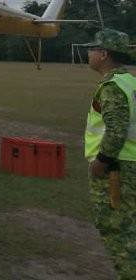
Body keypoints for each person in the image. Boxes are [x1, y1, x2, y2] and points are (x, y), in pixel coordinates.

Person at [81, 29, 136, 279]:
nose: (88, 53)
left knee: (118, 234)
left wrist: (100, 163)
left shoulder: (112, 86)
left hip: (117, 170)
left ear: (103, 54)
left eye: (92, 49)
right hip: (128, 165)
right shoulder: (130, 81)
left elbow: (115, 130)